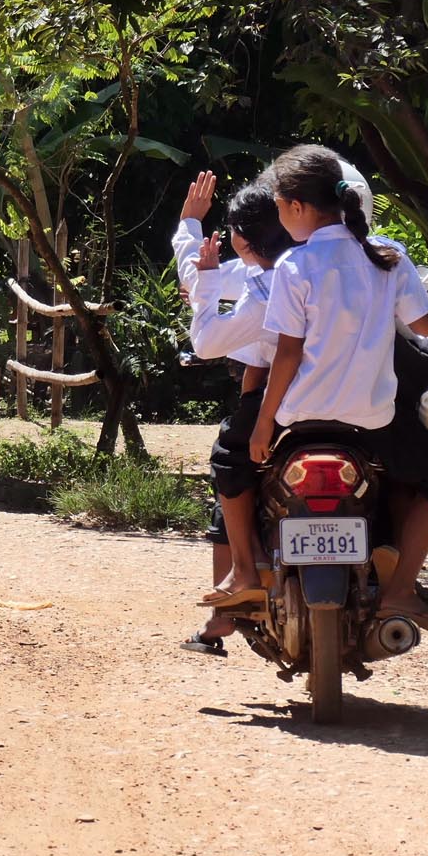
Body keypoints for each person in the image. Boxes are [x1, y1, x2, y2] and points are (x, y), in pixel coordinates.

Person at [247, 144, 428, 632]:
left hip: (301, 419)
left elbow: (288, 355)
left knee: (243, 475)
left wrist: (262, 425)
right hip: (372, 422)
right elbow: (423, 330)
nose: (279, 216)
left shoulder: (294, 267)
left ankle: (249, 575)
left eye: (278, 206)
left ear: (297, 207)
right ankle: (401, 586)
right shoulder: (389, 256)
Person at [172, 174, 293, 649]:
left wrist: (190, 227)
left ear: (244, 240)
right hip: (357, 404)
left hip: (280, 405)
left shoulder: (261, 287)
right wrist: (200, 268)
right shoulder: (324, 265)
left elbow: (205, 341)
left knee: (230, 467)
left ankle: (234, 592)